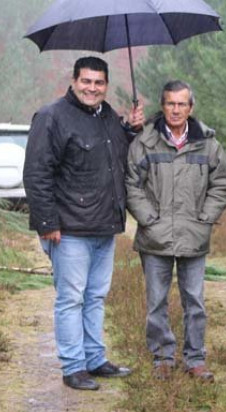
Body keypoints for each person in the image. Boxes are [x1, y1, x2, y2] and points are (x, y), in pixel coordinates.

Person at [23, 56, 144, 391]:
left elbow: (115, 157)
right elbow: (36, 174)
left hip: (104, 226)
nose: (93, 88)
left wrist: (130, 129)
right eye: (87, 81)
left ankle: (95, 359)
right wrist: (47, 222)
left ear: (106, 85)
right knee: (71, 298)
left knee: (95, 297)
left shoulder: (107, 117)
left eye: (99, 82)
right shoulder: (51, 117)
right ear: (74, 81)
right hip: (68, 229)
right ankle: (74, 366)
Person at [125, 80, 226, 382]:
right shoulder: (144, 142)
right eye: (170, 103)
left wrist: (205, 218)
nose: (175, 109)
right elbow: (131, 184)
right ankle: (162, 357)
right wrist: (148, 219)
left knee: (195, 301)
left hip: (194, 237)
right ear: (163, 106)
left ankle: (195, 359)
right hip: (154, 238)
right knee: (157, 300)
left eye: (181, 104)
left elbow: (222, 183)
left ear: (191, 108)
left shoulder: (208, 144)